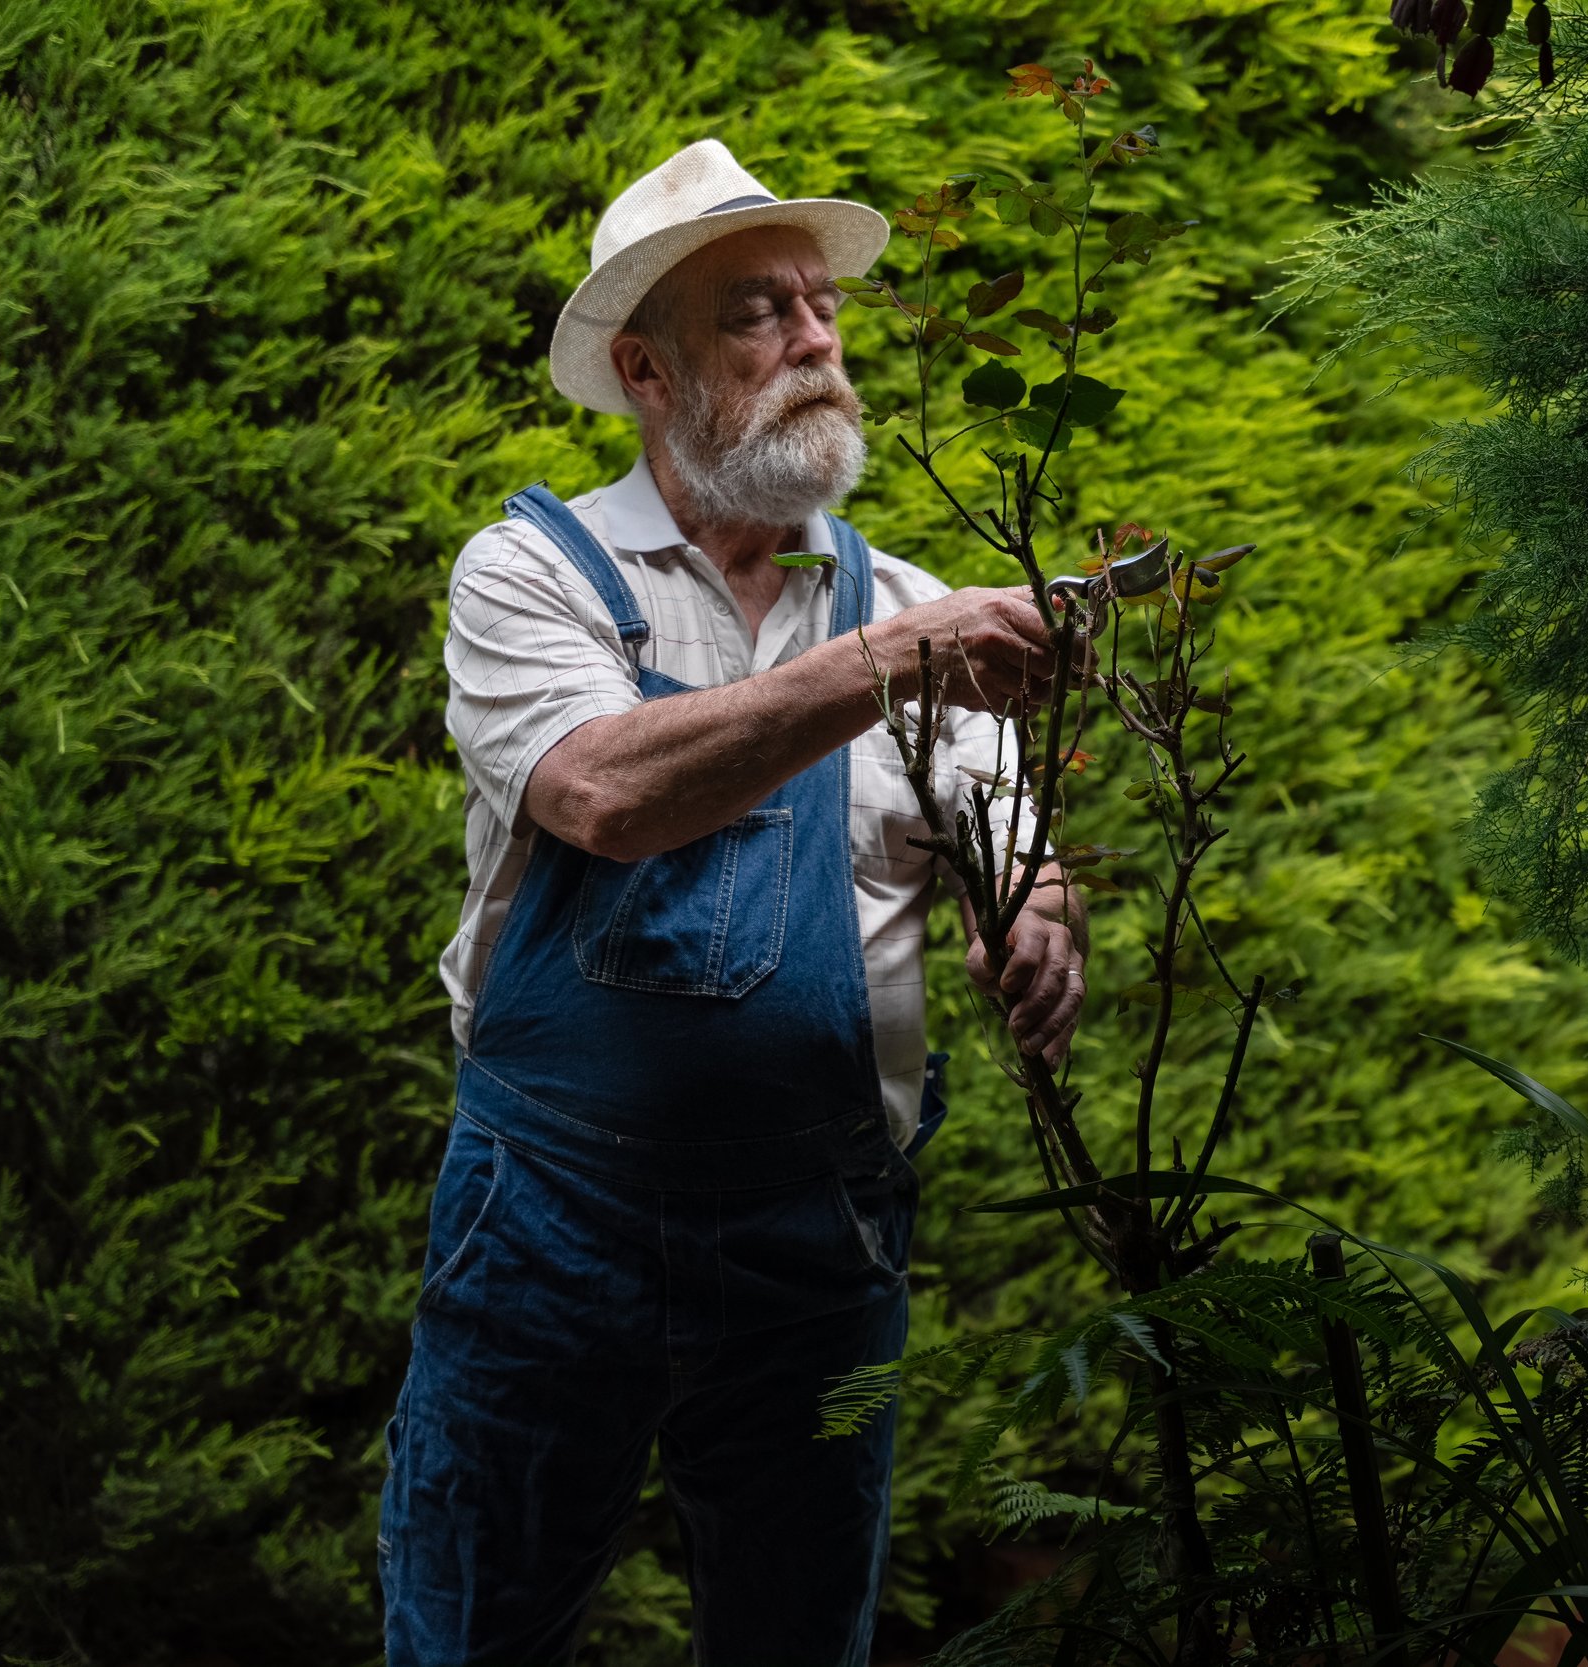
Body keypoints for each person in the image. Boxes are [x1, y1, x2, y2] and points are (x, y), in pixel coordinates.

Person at [378, 138, 1087, 1666]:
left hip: (829, 1243)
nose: (817, 341)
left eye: (821, 309)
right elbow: (606, 795)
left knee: (804, 1635)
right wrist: (896, 667)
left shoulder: (909, 606)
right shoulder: (533, 574)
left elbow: (1010, 835)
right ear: (647, 365)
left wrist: (1034, 908)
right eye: (759, 312)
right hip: (547, 1228)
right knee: (473, 1630)